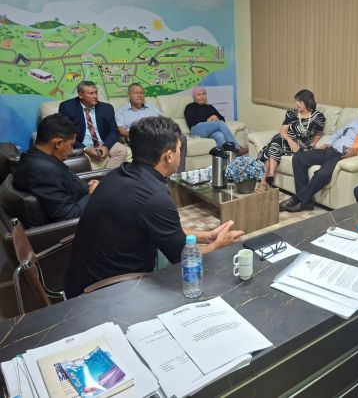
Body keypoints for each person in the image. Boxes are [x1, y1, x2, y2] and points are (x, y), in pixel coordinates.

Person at [63, 116, 244, 298]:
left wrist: (207, 236)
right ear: (169, 156)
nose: (180, 154)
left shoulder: (117, 174)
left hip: (80, 278)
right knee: (216, 277)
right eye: (179, 149)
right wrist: (218, 245)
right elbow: (182, 258)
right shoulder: (154, 198)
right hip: (107, 291)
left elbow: (168, 231)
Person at [279, 99, 358, 213]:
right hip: (330, 149)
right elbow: (338, 133)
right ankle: (306, 202)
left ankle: (297, 200)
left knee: (322, 174)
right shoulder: (356, 121)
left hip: (343, 156)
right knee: (299, 158)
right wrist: (329, 142)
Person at [13, 113, 99, 222]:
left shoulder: (31, 156)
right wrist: (92, 194)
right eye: (71, 145)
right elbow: (68, 216)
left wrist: (86, 187)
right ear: (58, 143)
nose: (71, 150)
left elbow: (63, 184)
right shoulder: (43, 171)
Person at [257, 89, 325, 188]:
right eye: (296, 101)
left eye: (299, 101)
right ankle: (269, 176)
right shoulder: (292, 113)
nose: (296, 103)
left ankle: (265, 181)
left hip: (300, 145)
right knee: (277, 141)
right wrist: (290, 141)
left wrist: (313, 143)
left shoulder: (318, 117)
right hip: (285, 139)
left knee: (271, 147)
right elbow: (282, 131)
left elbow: (318, 134)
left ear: (307, 102)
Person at [116, 83, 187, 173]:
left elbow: (165, 121)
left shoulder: (152, 108)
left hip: (157, 136)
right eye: (136, 93)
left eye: (141, 93)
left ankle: (178, 174)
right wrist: (139, 134)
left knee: (181, 138)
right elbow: (121, 130)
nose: (139, 95)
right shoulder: (121, 111)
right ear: (129, 95)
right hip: (139, 138)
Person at [58, 80, 127, 169]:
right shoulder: (67, 107)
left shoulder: (107, 108)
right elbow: (64, 133)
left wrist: (106, 146)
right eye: (91, 93)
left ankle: (107, 174)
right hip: (82, 145)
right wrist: (85, 149)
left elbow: (114, 131)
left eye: (96, 92)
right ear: (80, 95)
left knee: (122, 150)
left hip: (103, 142)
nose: (95, 96)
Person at [184, 86, 248, 154]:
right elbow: (191, 121)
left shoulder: (209, 107)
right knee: (219, 123)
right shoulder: (190, 107)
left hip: (210, 131)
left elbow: (222, 119)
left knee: (220, 135)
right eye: (199, 94)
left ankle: (224, 157)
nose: (202, 96)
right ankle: (237, 147)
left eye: (203, 94)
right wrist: (207, 120)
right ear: (194, 97)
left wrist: (216, 118)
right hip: (196, 130)